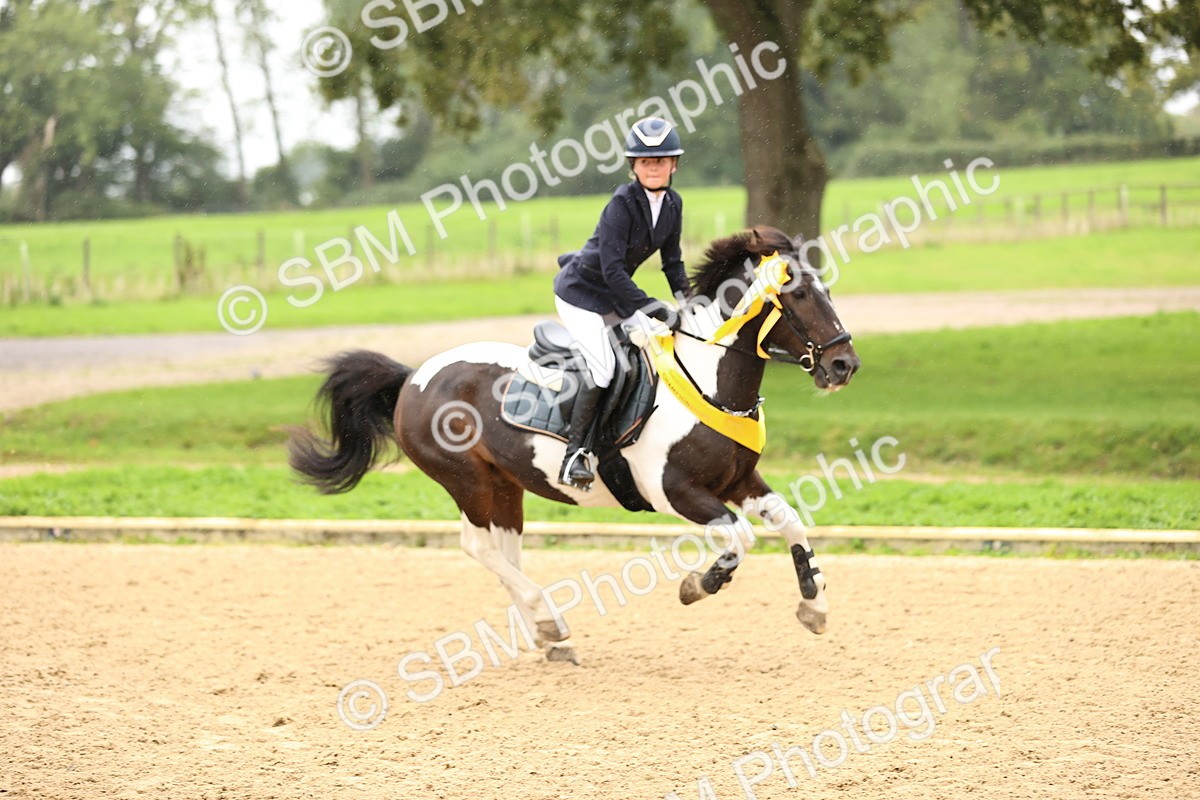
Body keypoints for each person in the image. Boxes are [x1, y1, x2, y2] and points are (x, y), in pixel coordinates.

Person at [552, 116, 688, 490]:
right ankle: (574, 455)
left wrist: (690, 302)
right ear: (634, 166)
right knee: (604, 368)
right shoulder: (621, 203)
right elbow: (612, 270)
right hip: (581, 294)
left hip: (612, 293)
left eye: (661, 161)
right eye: (646, 161)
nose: (654, 167)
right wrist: (649, 307)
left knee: (646, 356)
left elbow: (672, 263)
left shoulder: (673, 204)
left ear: (674, 164)